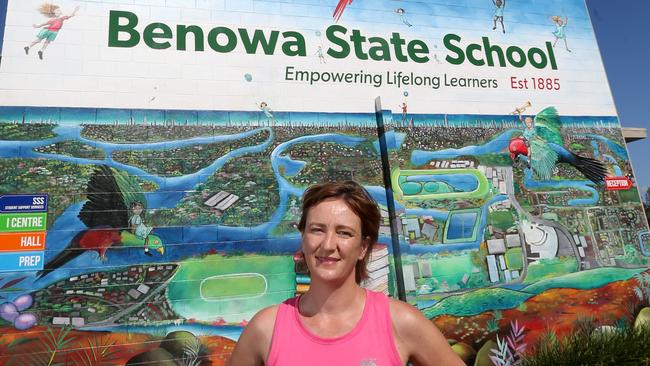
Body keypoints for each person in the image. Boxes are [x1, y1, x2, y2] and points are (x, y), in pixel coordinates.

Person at [227, 181, 463, 365]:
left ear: (363, 247)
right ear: (303, 237)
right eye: (317, 230)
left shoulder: (401, 323)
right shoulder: (266, 328)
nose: (328, 244)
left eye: (344, 233)